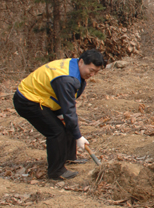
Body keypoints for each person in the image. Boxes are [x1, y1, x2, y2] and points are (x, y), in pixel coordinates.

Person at [13, 49, 105, 180]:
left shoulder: (74, 67)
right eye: (91, 70)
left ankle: (68, 158)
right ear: (81, 62)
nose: (93, 75)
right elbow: (69, 110)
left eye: (96, 72)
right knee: (56, 131)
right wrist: (78, 137)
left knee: (67, 124)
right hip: (28, 100)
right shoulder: (66, 79)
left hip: (45, 97)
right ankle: (56, 171)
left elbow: (66, 108)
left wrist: (65, 118)